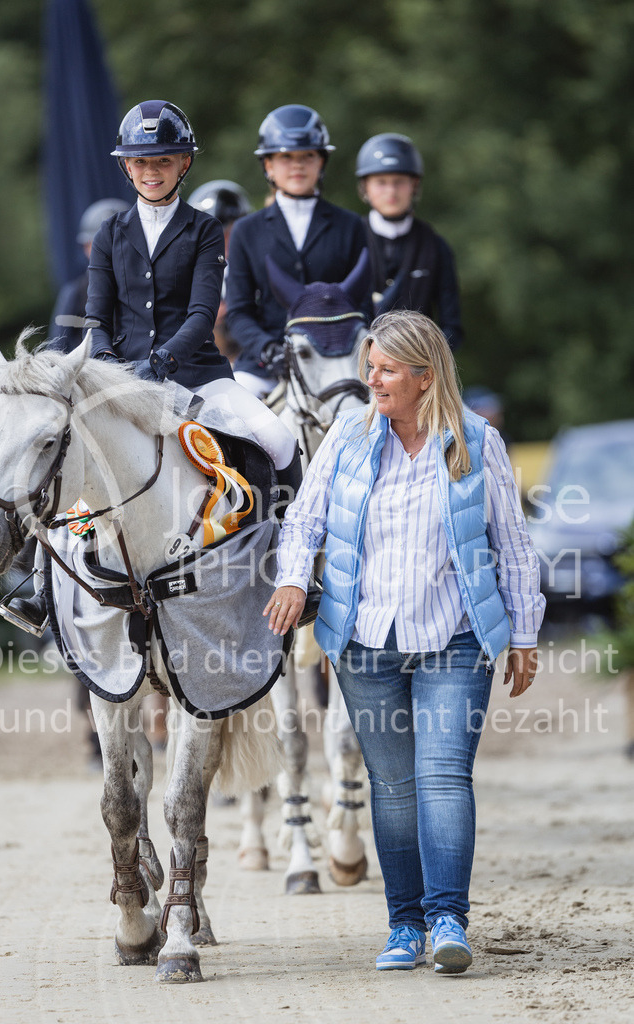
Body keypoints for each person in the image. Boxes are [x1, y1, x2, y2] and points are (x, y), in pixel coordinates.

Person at [264, 309, 545, 974]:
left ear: (424, 377)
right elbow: (303, 517)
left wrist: (524, 634)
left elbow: (510, 542)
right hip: (364, 642)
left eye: (386, 369)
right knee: (391, 788)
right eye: (370, 367)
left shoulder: (476, 441)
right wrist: (293, 581)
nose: (372, 378)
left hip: (454, 637)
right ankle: (403, 925)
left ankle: (448, 918)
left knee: (442, 779)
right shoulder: (349, 433)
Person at [5, 101, 298, 635]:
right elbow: (97, 317)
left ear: (183, 164)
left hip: (199, 374)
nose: (152, 171)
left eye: (163, 160)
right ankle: (41, 589)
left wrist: (163, 361)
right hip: (124, 382)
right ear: (127, 168)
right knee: (65, 456)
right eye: (141, 163)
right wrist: (115, 368)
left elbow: (202, 313)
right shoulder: (112, 233)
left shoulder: (205, 229)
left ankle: (293, 571)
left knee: (277, 439)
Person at [226, 103, 371, 398]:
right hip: (267, 365)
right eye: (285, 157)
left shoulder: (350, 226)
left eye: (307, 156)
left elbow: (364, 305)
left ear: (321, 162)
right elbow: (239, 312)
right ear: (268, 165)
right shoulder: (247, 231)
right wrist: (269, 349)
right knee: (229, 415)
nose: (297, 165)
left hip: (337, 362)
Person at [356, 133, 463, 351]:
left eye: (399, 182)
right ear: (365, 186)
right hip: (356, 368)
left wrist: (423, 358)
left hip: (416, 368)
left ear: (414, 185)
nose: (391, 192)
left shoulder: (435, 246)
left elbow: (452, 327)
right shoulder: (348, 239)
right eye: (381, 182)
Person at [49, 198, 131, 353]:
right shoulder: (75, 294)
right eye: (98, 245)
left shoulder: (152, 285)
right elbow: (55, 351)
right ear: (87, 248)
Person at [188, 180, 251, 363]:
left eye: (229, 234)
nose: (222, 243)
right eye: (213, 237)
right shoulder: (186, 266)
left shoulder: (257, 259)